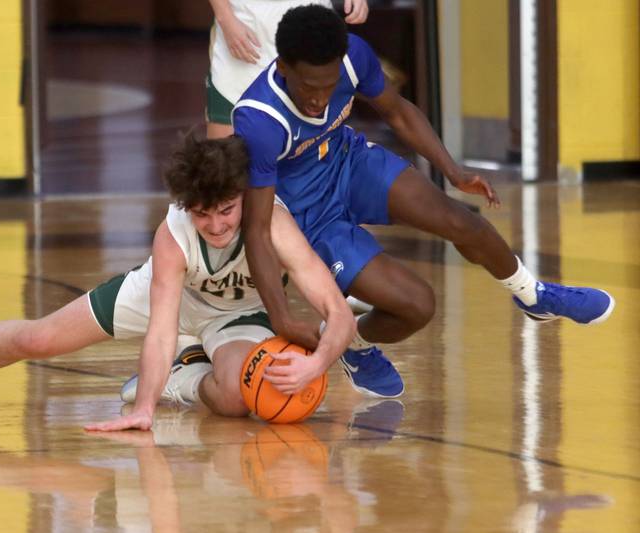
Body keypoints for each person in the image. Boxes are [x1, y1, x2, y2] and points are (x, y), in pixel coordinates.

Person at [0, 134, 355, 431]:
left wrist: (316, 364)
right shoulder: (173, 236)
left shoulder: (274, 225)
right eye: (204, 215)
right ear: (184, 208)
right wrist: (141, 411)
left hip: (238, 313)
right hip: (168, 294)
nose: (219, 225)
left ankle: (182, 379)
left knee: (239, 399)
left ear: (244, 195)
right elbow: (159, 329)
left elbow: (339, 313)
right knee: (38, 338)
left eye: (227, 211)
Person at [232, 5, 615, 398]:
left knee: (462, 222)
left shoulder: (354, 56)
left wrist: (453, 171)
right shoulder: (259, 121)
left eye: (327, 87)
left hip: (350, 163)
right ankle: (353, 345)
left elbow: (397, 113)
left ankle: (534, 296)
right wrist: (281, 318)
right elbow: (258, 230)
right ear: (282, 68)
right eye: (309, 87)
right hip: (310, 215)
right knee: (417, 306)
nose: (319, 99)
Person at [206, 0, 369, 139]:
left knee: (311, 151)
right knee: (225, 157)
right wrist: (225, 18)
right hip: (246, 23)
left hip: (310, 22)